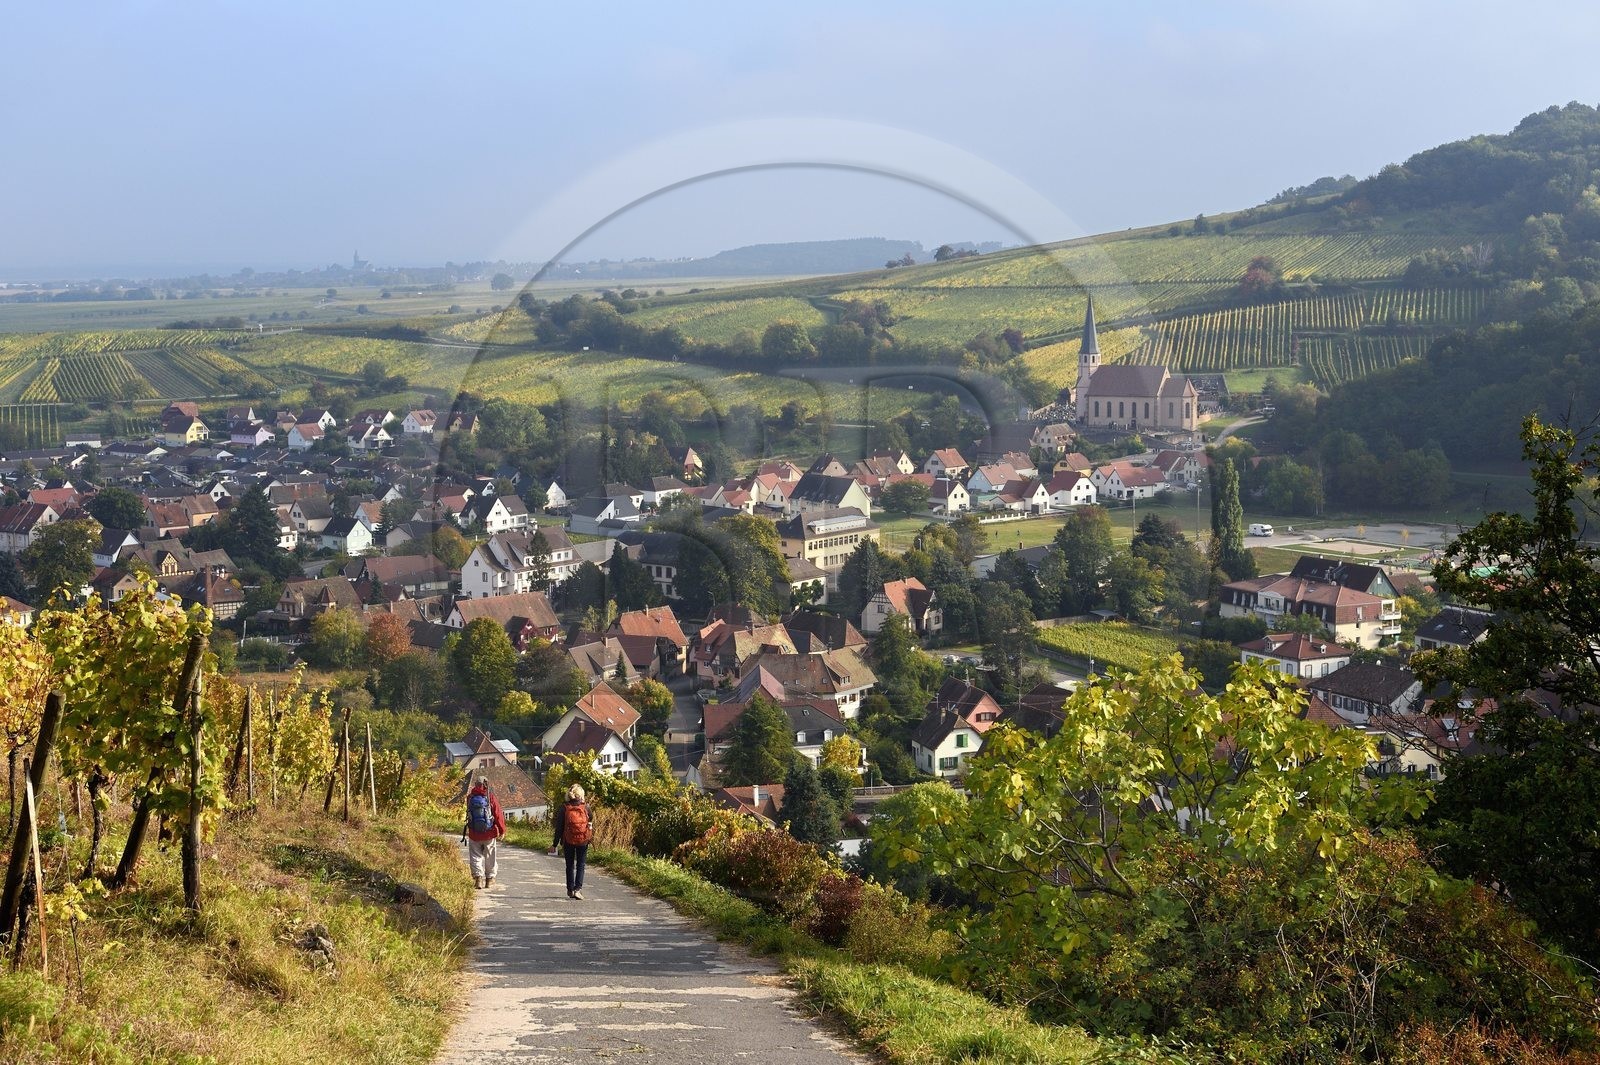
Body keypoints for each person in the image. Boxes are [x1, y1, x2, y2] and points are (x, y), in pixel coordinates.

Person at [549, 783, 593, 900]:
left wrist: (555, 844)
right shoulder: (586, 807)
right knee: (581, 865)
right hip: (583, 840)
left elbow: (559, 828)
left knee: (569, 865)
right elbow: (591, 820)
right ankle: (578, 889)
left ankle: (570, 889)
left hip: (568, 840)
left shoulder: (564, 808)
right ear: (581, 795)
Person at [462, 774, 506, 889]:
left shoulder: (470, 797)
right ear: (486, 785)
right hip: (489, 833)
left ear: (475, 785)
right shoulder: (490, 797)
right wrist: (501, 830)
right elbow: (497, 814)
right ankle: (490, 879)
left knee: (475, 856)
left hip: (474, 833)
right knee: (490, 856)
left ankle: (478, 879)